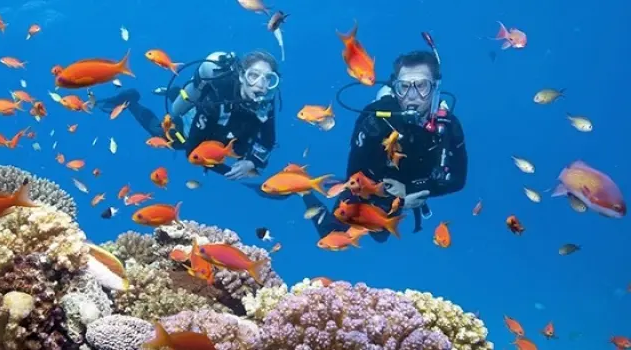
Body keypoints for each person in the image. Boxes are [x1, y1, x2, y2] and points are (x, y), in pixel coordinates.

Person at [303, 50, 468, 242]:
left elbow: (458, 180)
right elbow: (354, 173)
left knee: (380, 234)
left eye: (422, 86)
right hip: (374, 186)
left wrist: (411, 192)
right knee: (333, 237)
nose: (412, 96)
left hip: (415, 188)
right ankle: (305, 193)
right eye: (403, 87)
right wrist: (389, 196)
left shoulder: (448, 125)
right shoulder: (374, 120)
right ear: (394, 87)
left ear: (435, 88)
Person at [96, 50, 281, 180]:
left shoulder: (264, 102)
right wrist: (226, 170)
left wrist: (250, 163)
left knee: (241, 150)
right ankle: (131, 101)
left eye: (269, 79)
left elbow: (268, 139)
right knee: (161, 134)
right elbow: (191, 149)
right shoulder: (218, 99)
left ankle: (175, 92)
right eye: (253, 75)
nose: (260, 85)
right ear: (242, 76)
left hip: (226, 135)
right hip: (194, 128)